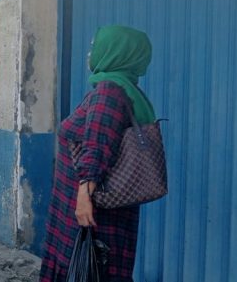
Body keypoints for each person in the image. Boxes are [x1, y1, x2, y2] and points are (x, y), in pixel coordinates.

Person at [39, 25, 155, 282]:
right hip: (102, 206)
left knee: (90, 270)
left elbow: (98, 146)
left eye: (95, 47)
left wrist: (83, 197)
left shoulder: (109, 92)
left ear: (115, 52)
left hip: (92, 209)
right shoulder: (125, 89)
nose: (89, 53)